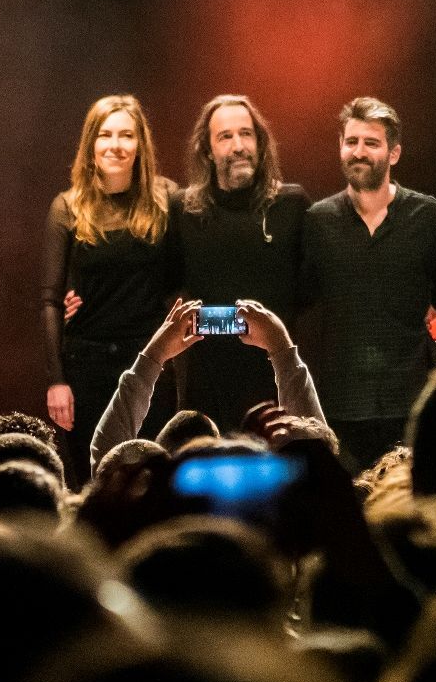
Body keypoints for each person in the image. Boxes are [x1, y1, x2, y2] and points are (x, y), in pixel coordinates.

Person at [300, 97, 436, 468]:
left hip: (411, 401)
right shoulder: (318, 221)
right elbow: (302, 297)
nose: (359, 152)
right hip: (340, 404)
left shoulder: (428, 216)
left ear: (394, 153)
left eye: (371, 142)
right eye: (351, 142)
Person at [40, 94, 180, 487]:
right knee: (92, 485)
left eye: (126, 135)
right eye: (105, 135)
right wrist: (56, 380)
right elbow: (49, 300)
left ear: (140, 146)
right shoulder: (67, 207)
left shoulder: (167, 199)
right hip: (86, 368)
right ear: (91, 145)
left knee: (151, 484)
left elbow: (180, 276)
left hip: (147, 363)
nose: (115, 144)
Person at [174, 95, 310, 429]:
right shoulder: (182, 211)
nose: (238, 145)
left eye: (246, 134)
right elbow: (160, 288)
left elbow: (313, 291)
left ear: (260, 143)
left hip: (278, 384)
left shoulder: (292, 204)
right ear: (207, 150)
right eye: (226, 136)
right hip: (207, 391)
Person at [87, 298, 322, 471]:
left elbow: (107, 458)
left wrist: (155, 354)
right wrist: (281, 346)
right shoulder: (263, 523)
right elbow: (318, 456)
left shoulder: (140, 517)